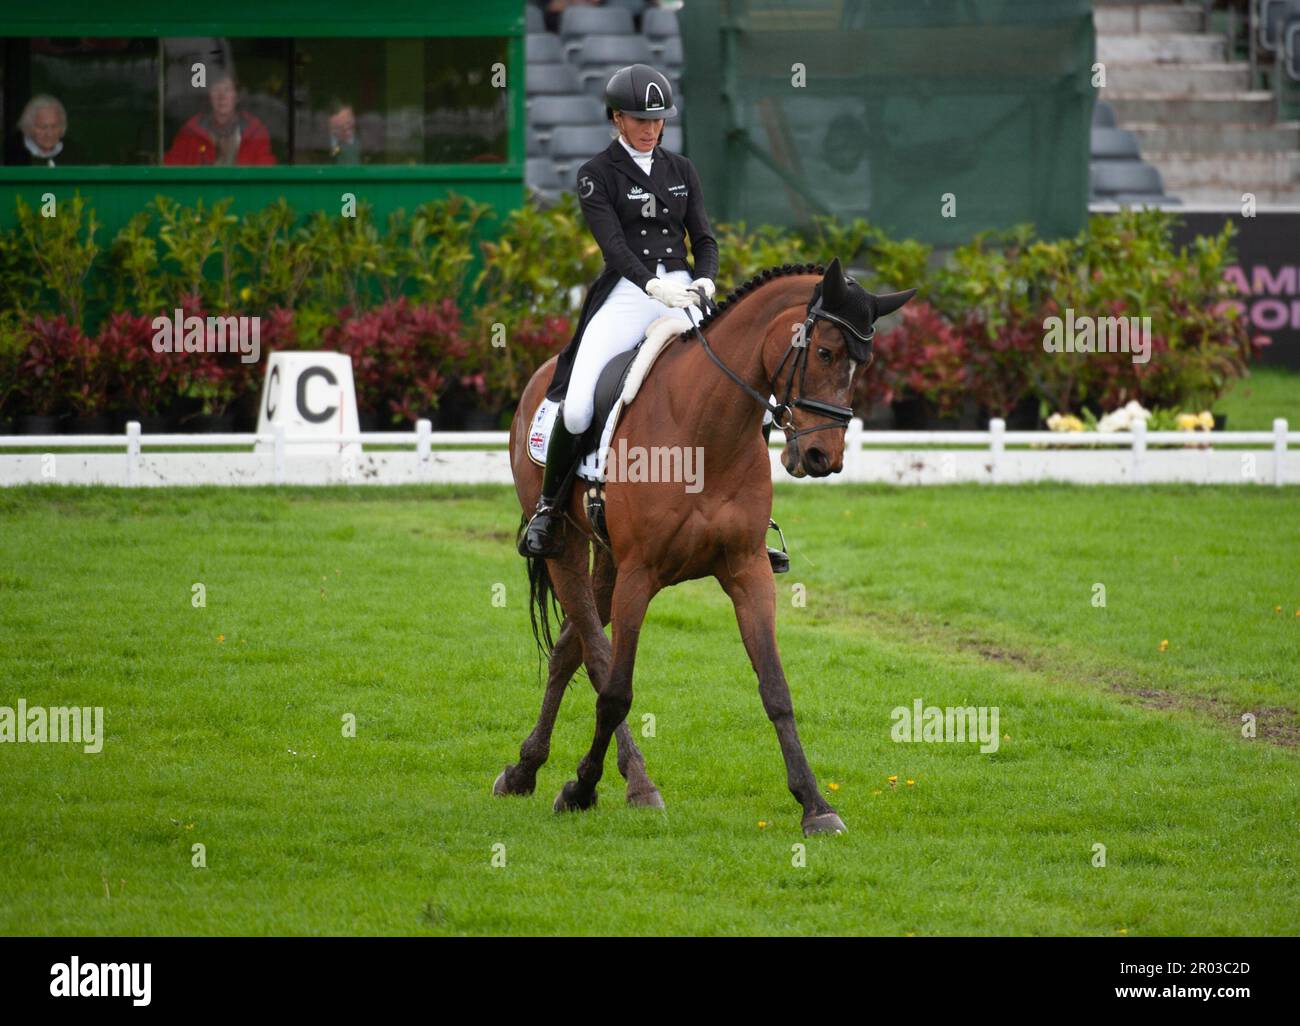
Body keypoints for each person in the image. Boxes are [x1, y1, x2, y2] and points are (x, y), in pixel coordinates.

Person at [520, 64, 789, 572]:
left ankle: (752, 521)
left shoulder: (681, 170)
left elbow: (704, 238)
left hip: (685, 294)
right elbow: (614, 246)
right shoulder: (596, 174)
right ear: (617, 119)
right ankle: (549, 511)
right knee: (577, 408)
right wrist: (651, 284)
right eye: (641, 119)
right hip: (628, 292)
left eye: (658, 118)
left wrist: (705, 279)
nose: (651, 128)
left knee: (755, 392)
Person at [164, 71, 276, 166]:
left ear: (236, 96)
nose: (221, 96)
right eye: (216, 89)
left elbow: (266, 171)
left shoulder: (255, 131)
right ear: (209, 95)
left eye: (227, 89)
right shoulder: (190, 132)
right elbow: (170, 166)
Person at [19, 95, 71, 166]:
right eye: (43, 127)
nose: (49, 134)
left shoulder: (75, 154)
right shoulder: (12, 153)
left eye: (54, 127)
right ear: (29, 127)